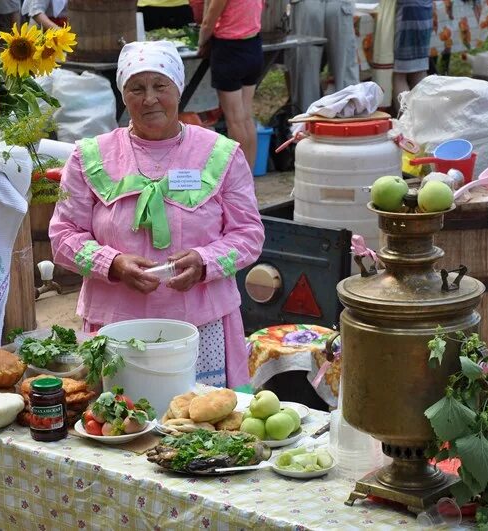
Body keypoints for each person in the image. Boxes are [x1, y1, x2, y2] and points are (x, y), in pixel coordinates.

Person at [49, 41, 264, 388]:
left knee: (199, 425)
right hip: (115, 325)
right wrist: (113, 264)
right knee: (120, 422)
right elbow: (62, 238)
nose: (149, 98)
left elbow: (249, 234)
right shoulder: (90, 156)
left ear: (178, 88)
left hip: (201, 324)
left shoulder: (220, 153)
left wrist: (204, 261)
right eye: (137, 87)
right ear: (123, 96)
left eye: (160, 85)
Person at [197, 0, 263, 168]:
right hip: (253, 46)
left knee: (235, 121)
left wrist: (201, 43)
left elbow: (207, 23)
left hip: (229, 50)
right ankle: (249, 175)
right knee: (247, 117)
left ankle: (239, 175)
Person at [287, 0, 360, 114]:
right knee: (345, 72)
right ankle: (352, 123)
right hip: (337, 5)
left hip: (308, 5)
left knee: (305, 73)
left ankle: (305, 124)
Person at [391, 0, 433, 113]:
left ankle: (406, 119)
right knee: (419, 72)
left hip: (407, 13)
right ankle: (425, 116)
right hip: (425, 10)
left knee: (399, 74)